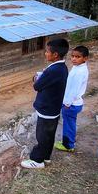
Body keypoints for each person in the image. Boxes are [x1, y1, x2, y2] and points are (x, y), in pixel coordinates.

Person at [20, 38, 69, 169]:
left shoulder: (53, 70)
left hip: (47, 109)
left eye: (47, 52)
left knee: (42, 136)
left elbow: (37, 86)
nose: (45, 54)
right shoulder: (62, 68)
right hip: (53, 107)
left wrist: (37, 78)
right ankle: (46, 157)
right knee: (49, 135)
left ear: (55, 54)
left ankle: (37, 160)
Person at [55, 46, 90, 152]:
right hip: (72, 103)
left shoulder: (80, 72)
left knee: (68, 124)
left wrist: (67, 103)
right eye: (73, 56)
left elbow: (74, 90)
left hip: (71, 103)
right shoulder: (78, 68)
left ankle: (68, 145)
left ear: (85, 58)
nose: (74, 59)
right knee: (70, 123)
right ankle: (69, 141)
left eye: (78, 57)